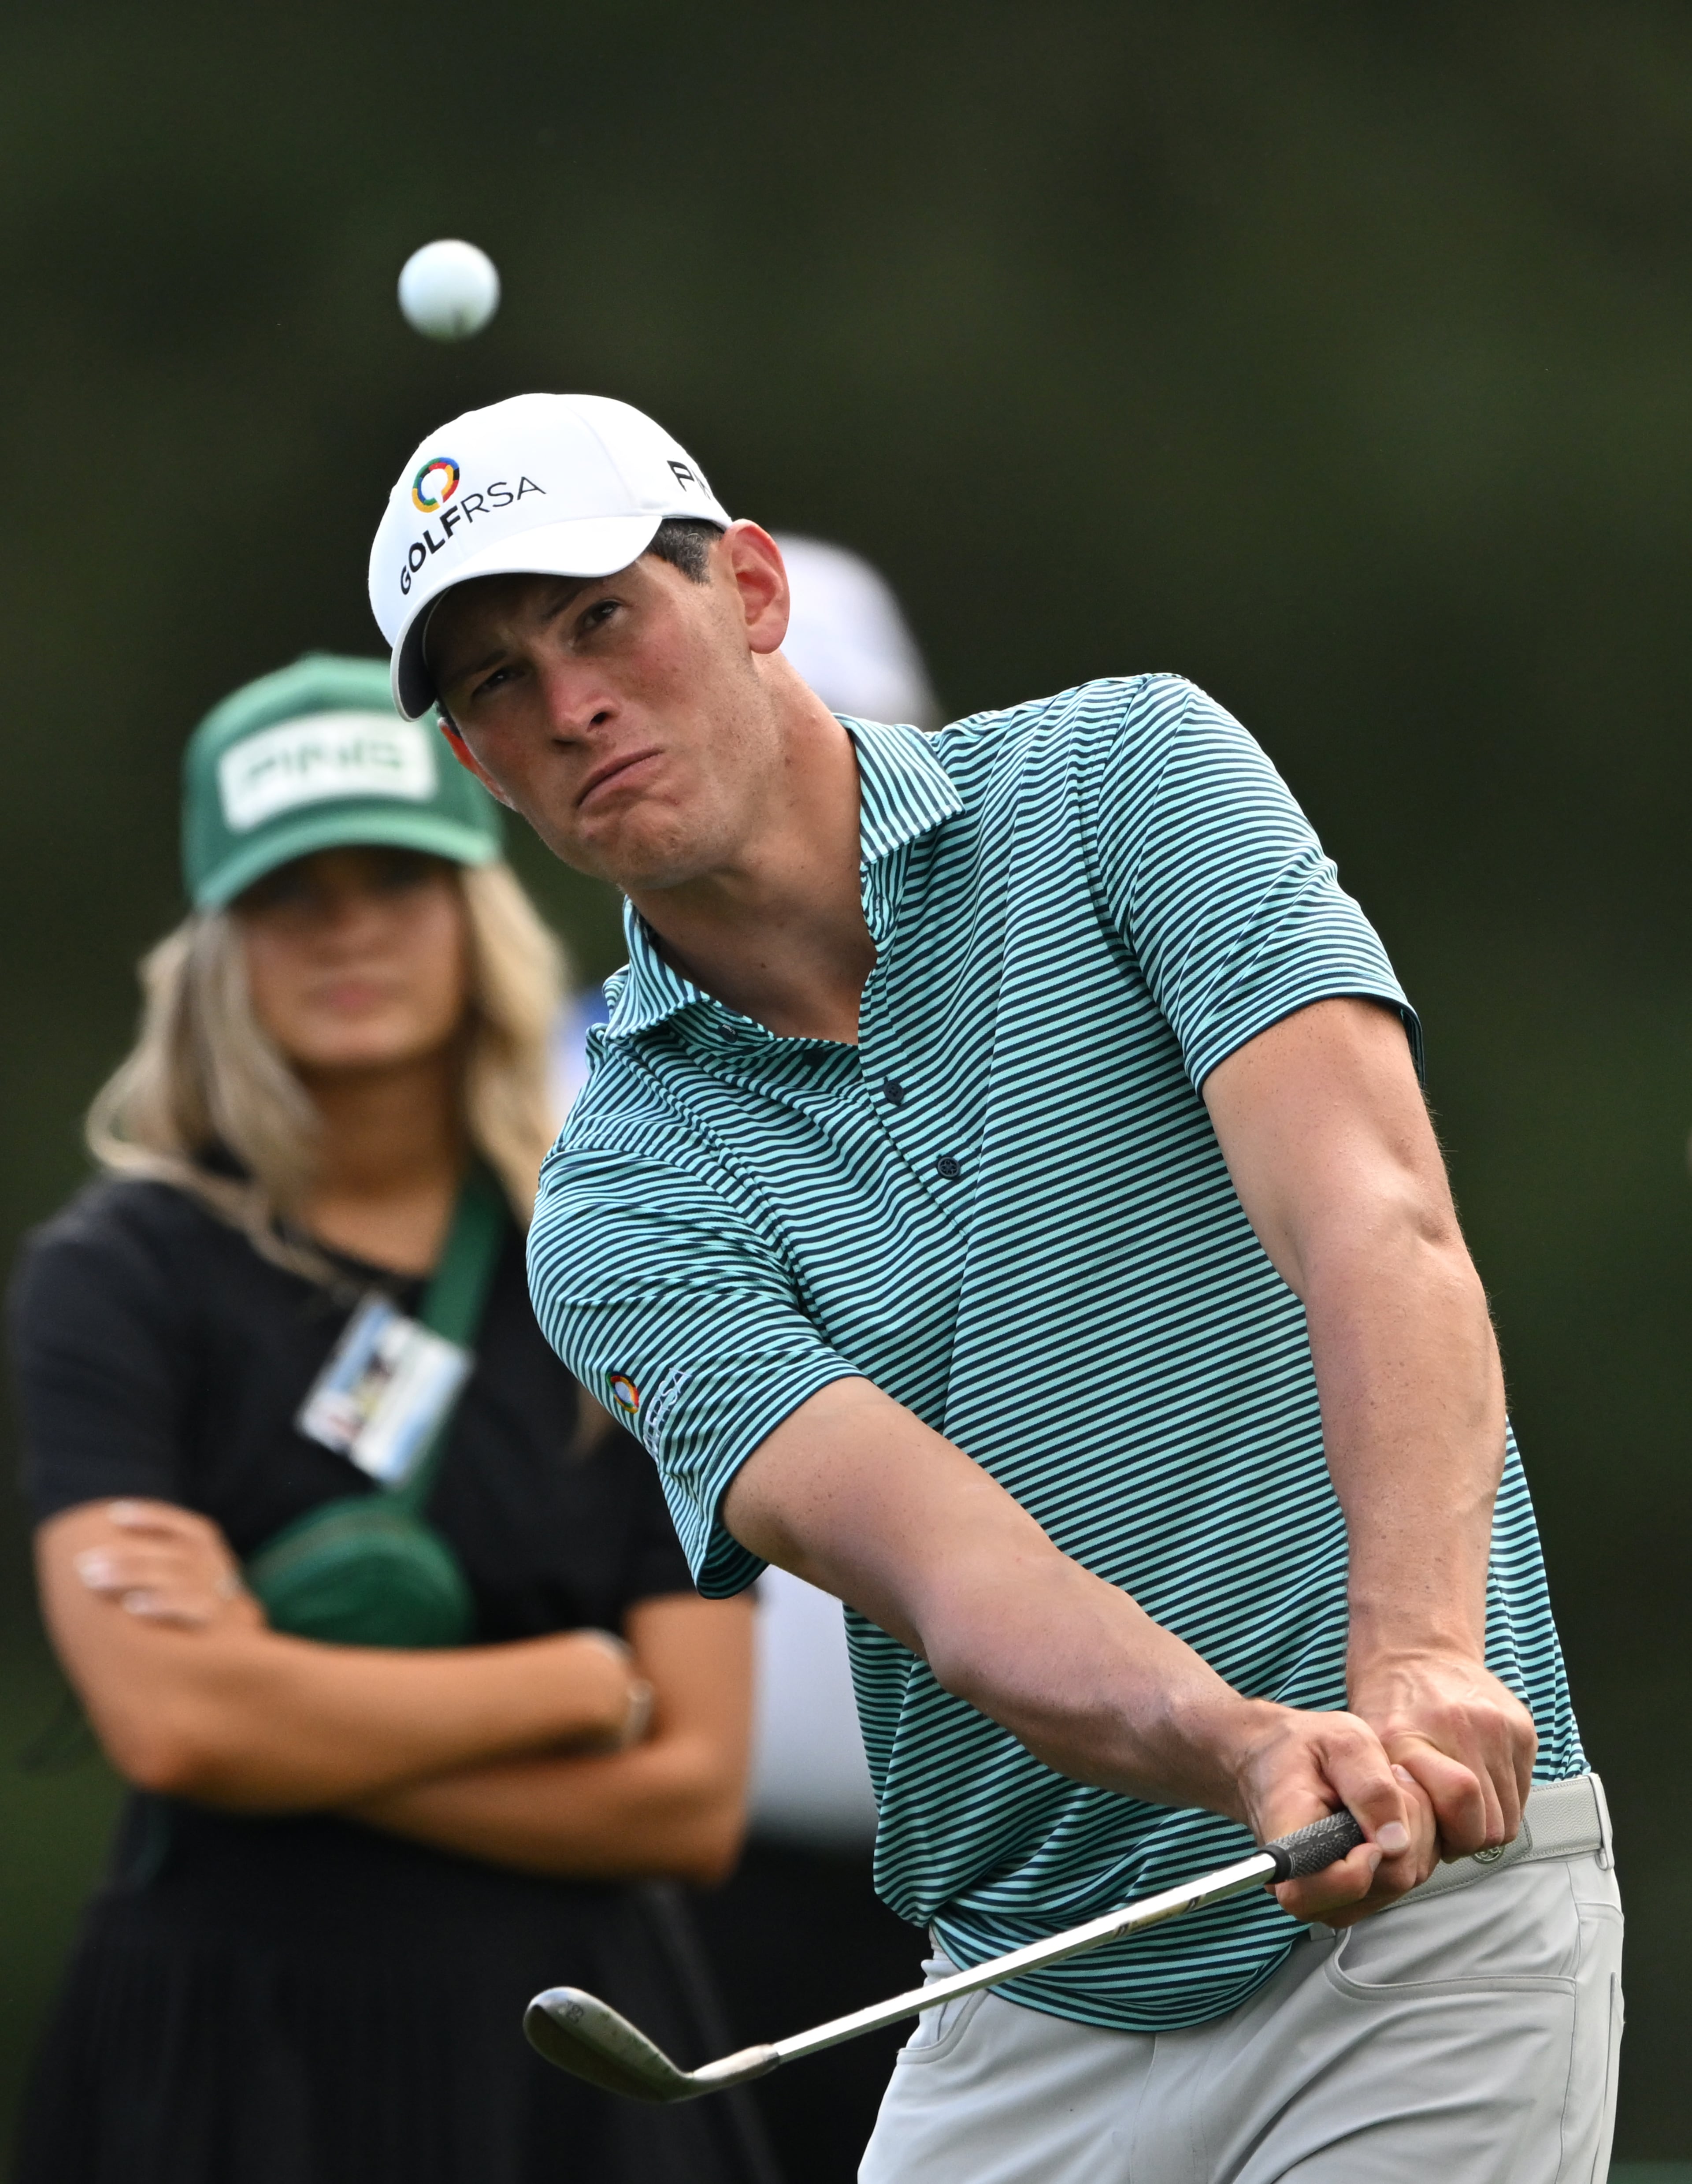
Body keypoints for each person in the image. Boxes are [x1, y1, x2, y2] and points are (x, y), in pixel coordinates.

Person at [366, 394, 1622, 2183]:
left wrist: (1416, 1659)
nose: (570, 706)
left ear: (750, 591)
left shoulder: (1130, 779)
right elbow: (963, 1581)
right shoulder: (612, 1203)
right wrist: (1247, 1753)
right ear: (484, 773)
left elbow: (1374, 1216)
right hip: (1034, 1989)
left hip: (1436, 1907)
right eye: (495, 684)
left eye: (601, 619)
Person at [9, 654, 758, 2184]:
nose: (349, 929)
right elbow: (167, 1718)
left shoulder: (618, 1250)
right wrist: (562, 1686)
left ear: (472, 911)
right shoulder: (115, 1276)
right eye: (294, 894)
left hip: (568, 2054)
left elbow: (692, 1794)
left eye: (397, 880)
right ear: (221, 945)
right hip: (222, 2050)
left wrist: (271, 1706)